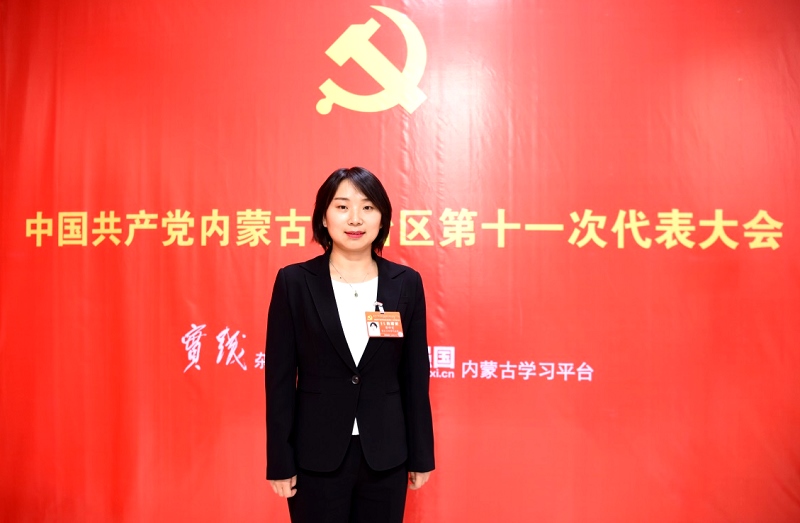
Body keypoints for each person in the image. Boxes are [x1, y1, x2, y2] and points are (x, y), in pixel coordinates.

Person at [265, 167, 435, 523]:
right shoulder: (294, 282)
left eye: (368, 207)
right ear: (323, 217)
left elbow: (415, 376)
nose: (355, 218)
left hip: (386, 455)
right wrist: (280, 460)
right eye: (342, 206)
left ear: (382, 219)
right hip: (315, 455)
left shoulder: (405, 283)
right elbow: (278, 381)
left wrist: (421, 455)